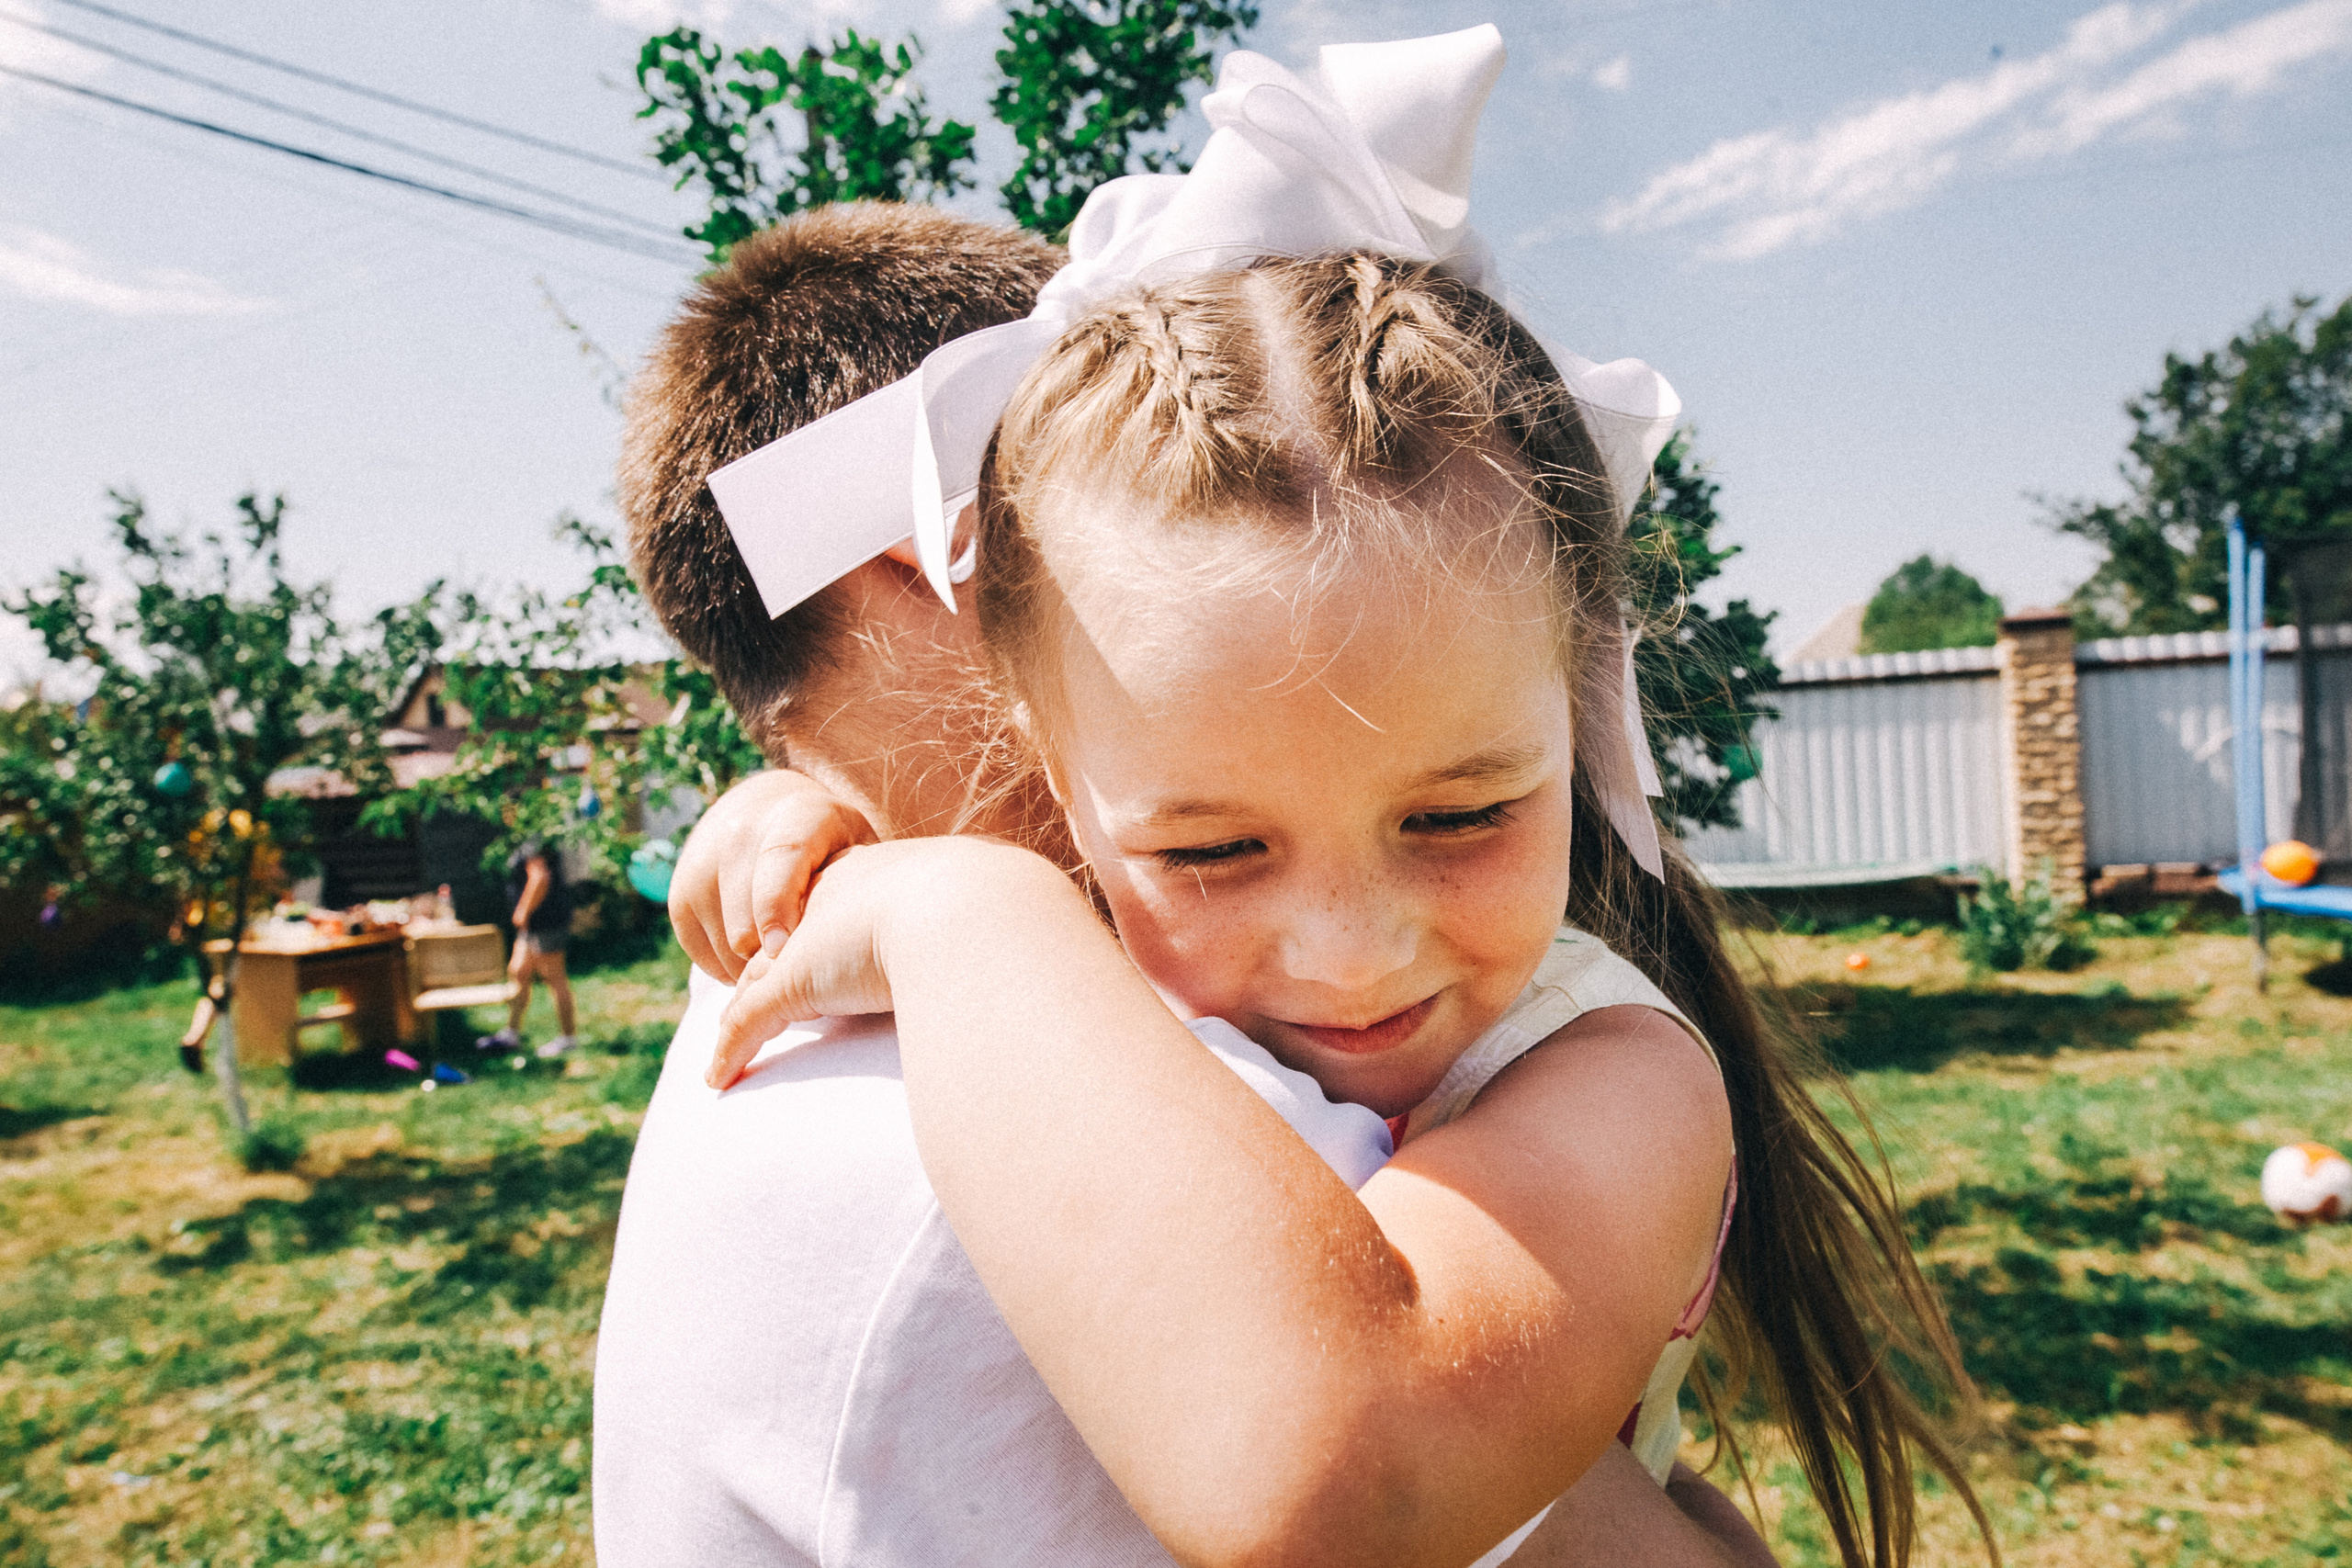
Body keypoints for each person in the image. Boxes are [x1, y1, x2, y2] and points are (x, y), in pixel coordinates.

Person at [707, 115, 1993, 1568]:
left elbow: (1339, 1476)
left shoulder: (1627, 1079)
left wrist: (955, 910)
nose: (1351, 945)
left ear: (1573, 702)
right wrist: (833, 835)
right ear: (1049, 773)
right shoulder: (1073, 882)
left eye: (1457, 815)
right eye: (1208, 851)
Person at [478, 839, 577, 1056]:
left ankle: (569, 1037)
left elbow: (540, 878)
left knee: (554, 977)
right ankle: (511, 1033)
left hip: (546, 921)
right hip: (533, 924)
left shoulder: (534, 839)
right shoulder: (521, 837)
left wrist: (523, 910)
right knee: (518, 971)